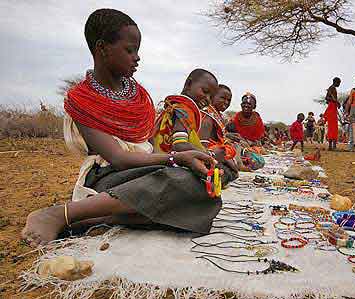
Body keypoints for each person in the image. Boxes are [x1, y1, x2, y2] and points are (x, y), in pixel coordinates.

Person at [21, 9, 223, 247]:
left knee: (200, 186)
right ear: (102, 48)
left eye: (137, 50)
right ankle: (61, 213)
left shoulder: (139, 96)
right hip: (109, 177)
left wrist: (182, 160)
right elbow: (118, 159)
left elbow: (148, 148)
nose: (137, 58)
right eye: (130, 50)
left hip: (144, 174)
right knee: (175, 183)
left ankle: (89, 219)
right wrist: (177, 158)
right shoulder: (81, 99)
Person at [152, 68, 218, 153]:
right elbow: (180, 145)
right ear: (188, 84)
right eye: (205, 91)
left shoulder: (176, 106)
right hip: (168, 160)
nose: (208, 99)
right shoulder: (184, 110)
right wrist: (209, 154)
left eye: (211, 97)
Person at [324, 77, 341, 150]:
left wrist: (336, 102)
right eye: (339, 83)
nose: (339, 84)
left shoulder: (332, 88)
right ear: (336, 82)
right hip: (331, 108)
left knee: (333, 127)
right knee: (333, 127)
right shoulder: (332, 88)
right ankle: (332, 146)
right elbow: (327, 98)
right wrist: (336, 102)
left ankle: (332, 146)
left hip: (332, 108)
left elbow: (327, 99)